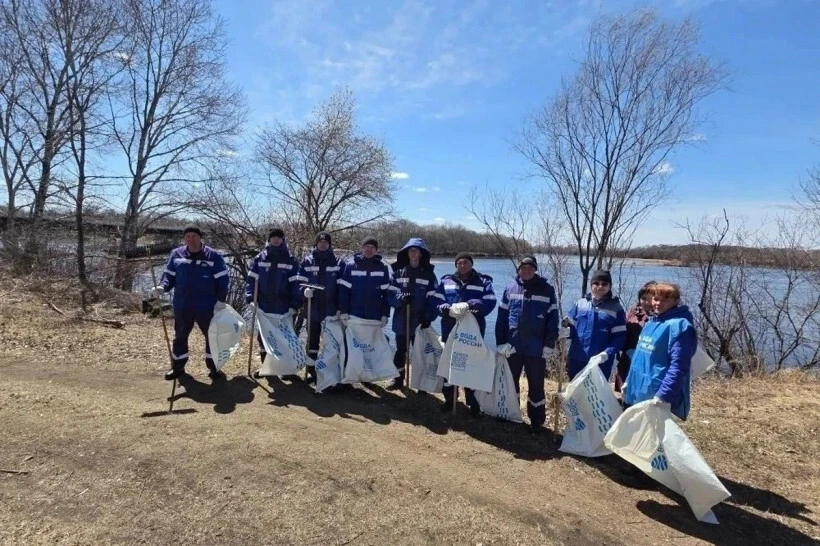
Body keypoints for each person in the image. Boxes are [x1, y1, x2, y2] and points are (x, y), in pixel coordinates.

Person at [151, 225, 229, 381]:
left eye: (194, 236)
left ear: (200, 237)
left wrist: (221, 300)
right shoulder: (177, 254)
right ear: (184, 238)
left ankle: (214, 368)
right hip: (183, 304)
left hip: (207, 305)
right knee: (180, 335)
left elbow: (223, 280)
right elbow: (169, 276)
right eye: (188, 236)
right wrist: (162, 287)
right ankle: (178, 367)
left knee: (212, 336)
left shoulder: (213, 256)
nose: (191, 239)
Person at [495, 256, 559, 433]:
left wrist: (549, 344)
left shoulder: (547, 289)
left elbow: (553, 319)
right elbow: (502, 318)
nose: (527, 270)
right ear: (519, 270)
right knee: (510, 382)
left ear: (535, 269)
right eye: (523, 267)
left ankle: (536, 421)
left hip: (536, 348)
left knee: (536, 385)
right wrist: (500, 342)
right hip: (513, 347)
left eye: (530, 267)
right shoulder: (510, 288)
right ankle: (510, 414)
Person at [433, 252, 497, 416]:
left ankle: (474, 404)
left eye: (466, 263)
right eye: (460, 263)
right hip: (450, 328)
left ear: (471, 264)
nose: (462, 265)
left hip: (472, 332)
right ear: (456, 265)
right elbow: (437, 299)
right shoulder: (446, 281)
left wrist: (475, 304)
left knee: (471, 365)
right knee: (449, 365)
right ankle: (450, 399)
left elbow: (490, 301)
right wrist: (443, 308)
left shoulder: (483, 282)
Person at [623, 282, 696, 421]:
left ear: (676, 301)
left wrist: (663, 395)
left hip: (657, 394)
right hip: (639, 391)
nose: (658, 303)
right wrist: (629, 381)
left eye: (665, 300)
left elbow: (679, 366)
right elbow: (639, 358)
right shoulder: (651, 322)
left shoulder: (680, 327)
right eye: (656, 299)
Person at [245, 228, 305, 377]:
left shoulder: (290, 259)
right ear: (269, 239)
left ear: (283, 240)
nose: (276, 240)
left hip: (283, 308)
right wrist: (250, 299)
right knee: (264, 338)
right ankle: (267, 369)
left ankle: (284, 369)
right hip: (264, 306)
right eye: (273, 237)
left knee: (284, 339)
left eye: (279, 237)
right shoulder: (260, 258)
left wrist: (294, 304)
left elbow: (295, 285)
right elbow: (251, 281)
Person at [388, 238, 438, 390]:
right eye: (411, 250)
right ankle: (398, 380)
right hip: (401, 321)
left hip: (419, 322)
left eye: (416, 251)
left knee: (420, 354)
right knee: (400, 352)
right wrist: (400, 299)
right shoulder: (398, 272)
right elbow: (390, 295)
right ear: (407, 253)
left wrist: (428, 317)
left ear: (421, 254)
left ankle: (421, 384)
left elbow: (434, 299)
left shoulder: (429, 275)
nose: (414, 253)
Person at [563, 270, 626, 381]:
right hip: (577, 358)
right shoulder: (580, 304)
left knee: (595, 392)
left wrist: (607, 353)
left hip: (601, 362)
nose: (600, 286)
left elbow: (619, 337)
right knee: (575, 389)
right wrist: (566, 332)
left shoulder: (616, 308)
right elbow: (570, 327)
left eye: (604, 284)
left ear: (609, 286)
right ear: (591, 285)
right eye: (596, 283)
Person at [299, 231, 344, 384]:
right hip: (312, 309)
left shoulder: (338, 262)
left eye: (326, 242)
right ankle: (311, 370)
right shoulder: (307, 261)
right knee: (312, 342)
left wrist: (341, 307)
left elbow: (343, 288)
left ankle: (329, 370)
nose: (323, 244)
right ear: (316, 243)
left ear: (329, 245)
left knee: (331, 342)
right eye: (320, 242)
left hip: (331, 310)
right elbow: (299, 282)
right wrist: (304, 291)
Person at [337, 236, 391, 329]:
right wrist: (343, 311)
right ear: (362, 248)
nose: (369, 249)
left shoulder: (382, 267)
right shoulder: (351, 266)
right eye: (367, 246)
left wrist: (385, 314)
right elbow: (344, 291)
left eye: (372, 247)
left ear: (376, 250)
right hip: (354, 315)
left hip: (375, 316)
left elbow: (386, 294)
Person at [615, 281, 656, 393]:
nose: (646, 302)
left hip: (647, 365)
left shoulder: (661, 317)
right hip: (627, 361)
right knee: (623, 395)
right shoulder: (633, 311)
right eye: (643, 298)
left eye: (651, 298)